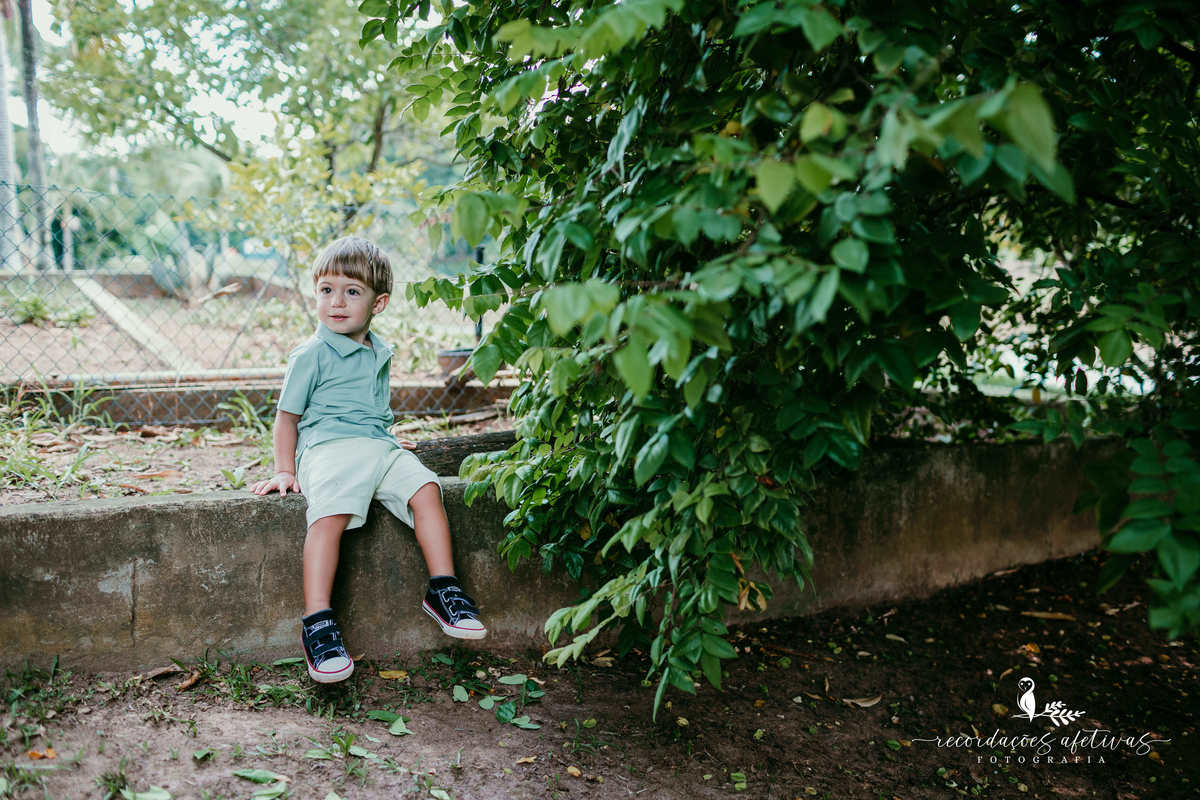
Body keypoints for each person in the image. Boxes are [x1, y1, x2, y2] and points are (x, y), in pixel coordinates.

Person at [250, 236, 486, 684]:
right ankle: (318, 622)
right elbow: (287, 419)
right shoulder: (311, 355)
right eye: (326, 290)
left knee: (427, 489)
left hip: (376, 447)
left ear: (378, 303)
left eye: (351, 292)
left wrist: (388, 441)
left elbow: (371, 410)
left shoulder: (379, 351)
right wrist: (284, 469)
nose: (336, 302)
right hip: (327, 451)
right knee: (329, 516)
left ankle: (444, 589)